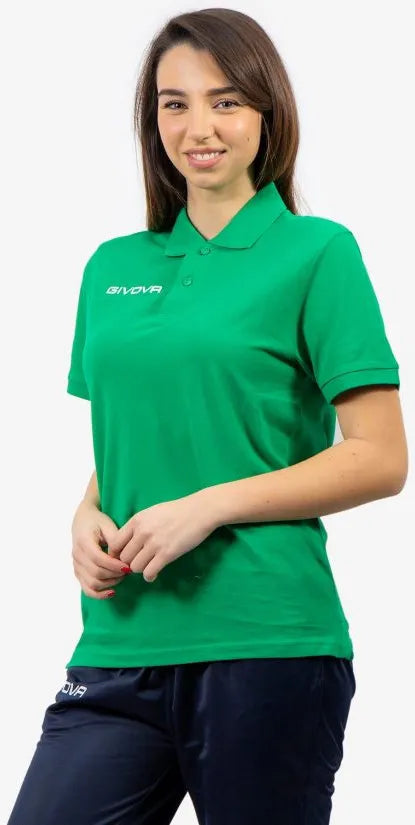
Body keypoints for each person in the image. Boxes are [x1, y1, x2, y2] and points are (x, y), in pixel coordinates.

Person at [7, 8, 408, 825]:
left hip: (266, 640)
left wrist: (208, 506)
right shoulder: (112, 266)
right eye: (174, 103)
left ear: (266, 113)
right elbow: (142, 429)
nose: (199, 127)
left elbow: (379, 457)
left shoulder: (317, 252)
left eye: (225, 102)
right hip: (120, 640)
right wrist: (86, 510)